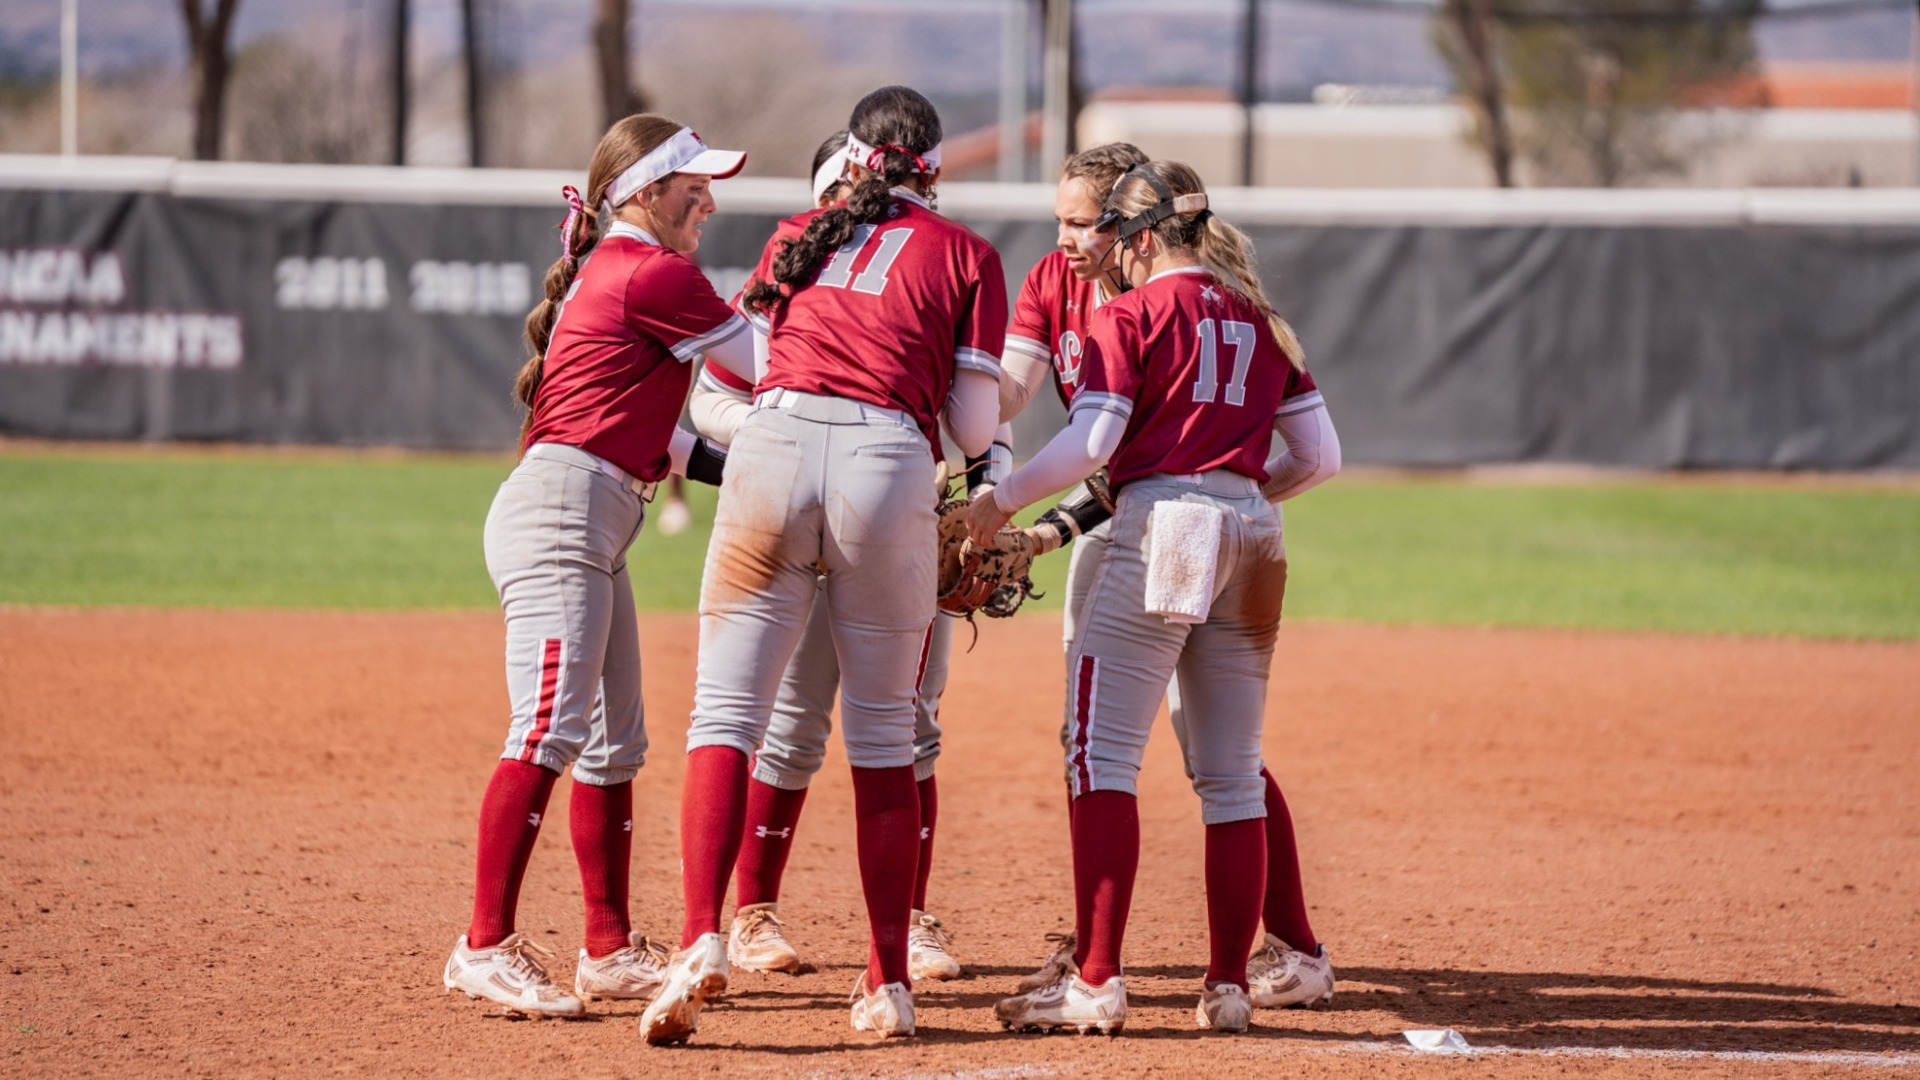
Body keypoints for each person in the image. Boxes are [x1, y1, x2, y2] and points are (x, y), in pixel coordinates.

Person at [641, 85, 1005, 1045]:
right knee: (885, 735)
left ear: (854, 154)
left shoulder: (800, 231)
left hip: (772, 448)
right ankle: (888, 980)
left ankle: (699, 943)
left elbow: (755, 371)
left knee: (724, 717)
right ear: (934, 160)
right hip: (886, 461)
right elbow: (970, 428)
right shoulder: (966, 253)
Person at [972, 160, 1341, 1035]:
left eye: (1110, 235)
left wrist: (1000, 502)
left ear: (1137, 238)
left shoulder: (1129, 311)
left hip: (1159, 527)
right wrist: (1238, 494)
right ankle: (1229, 985)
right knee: (1230, 772)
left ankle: (1097, 977)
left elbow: (1092, 441)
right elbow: (1321, 458)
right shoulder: (1260, 315)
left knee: (1099, 757)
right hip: (1253, 531)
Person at [441, 115, 754, 1018]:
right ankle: (482, 944)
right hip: (562, 514)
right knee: (546, 730)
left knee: (615, 743)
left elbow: (663, 436)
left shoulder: (618, 269)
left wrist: (743, 470)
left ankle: (608, 947)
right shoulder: (652, 270)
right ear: (646, 192)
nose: (709, 194)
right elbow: (764, 369)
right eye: (692, 180)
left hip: (593, 513)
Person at [686, 131, 965, 987]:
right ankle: (754, 909)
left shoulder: (922, 271)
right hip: (822, 500)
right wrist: (798, 442)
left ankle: (908, 919)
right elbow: (711, 399)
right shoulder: (801, 257)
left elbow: (974, 412)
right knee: (797, 721)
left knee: (910, 721)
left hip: (896, 511)